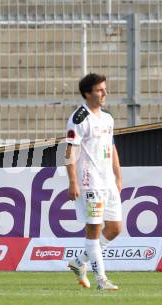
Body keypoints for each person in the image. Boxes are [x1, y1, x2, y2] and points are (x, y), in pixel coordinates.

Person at [65, 73, 122, 291]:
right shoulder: (79, 118)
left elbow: (112, 147)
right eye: (100, 90)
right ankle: (101, 280)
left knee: (116, 228)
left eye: (105, 89)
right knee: (94, 230)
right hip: (90, 183)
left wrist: (118, 176)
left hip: (108, 183)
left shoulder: (107, 118)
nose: (105, 93)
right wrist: (73, 182)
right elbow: (70, 151)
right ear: (88, 93)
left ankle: (79, 262)